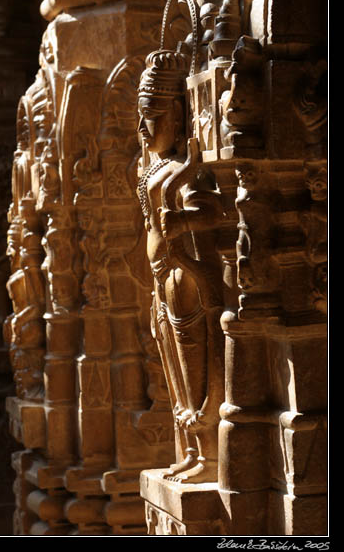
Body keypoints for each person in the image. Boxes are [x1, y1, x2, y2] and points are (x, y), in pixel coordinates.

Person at [137, 50, 224, 482]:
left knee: (198, 374)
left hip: (186, 278)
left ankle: (209, 455)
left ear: (176, 113)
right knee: (175, 374)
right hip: (163, 284)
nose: (142, 127)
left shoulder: (187, 170)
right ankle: (192, 449)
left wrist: (182, 220)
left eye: (151, 114)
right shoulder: (157, 168)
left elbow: (215, 214)